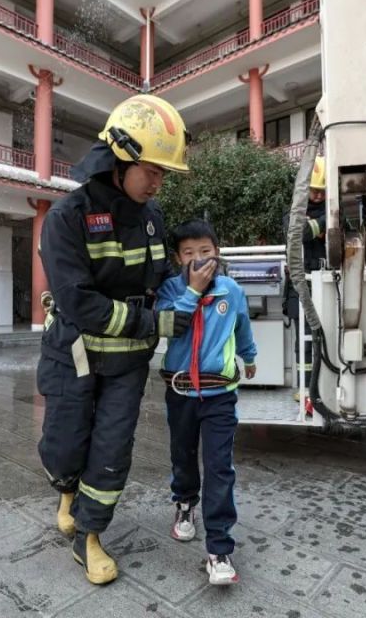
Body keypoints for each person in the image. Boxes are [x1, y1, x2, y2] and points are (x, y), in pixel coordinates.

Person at [37, 94, 194, 585]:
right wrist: (154, 324)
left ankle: (89, 536)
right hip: (75, 358)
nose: (158, 181)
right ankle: (66, 488)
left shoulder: (152, 217)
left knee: (111, 451)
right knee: (65, 447)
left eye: (163, 173)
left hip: (126, 365)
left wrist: (196, 285)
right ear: (120, 158)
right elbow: (80, 303)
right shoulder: (66, 218)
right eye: (152, 169)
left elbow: (161, 277)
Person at [156, 219, 257, 586]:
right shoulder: (169, 289)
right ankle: (185, 504)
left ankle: (219, 548)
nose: (198, 259)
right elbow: (167, 326)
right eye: (188, 253)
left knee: (219, 467)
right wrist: (193, 292)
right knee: (182, 455)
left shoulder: (231, 290)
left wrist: (249, 356)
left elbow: (241, 325)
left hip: (220, 397)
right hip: (180, 393)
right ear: (177, 258)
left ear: (217, 252)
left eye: (205, 251)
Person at [282, 155, 326, 408]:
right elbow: (299, 232)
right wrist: (323, 224)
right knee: (305, 342)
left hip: (328, 285)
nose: (318, 197)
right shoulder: (295, 212)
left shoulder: (335, 210)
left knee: (327, 339)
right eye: (313, 191)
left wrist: (318, 227)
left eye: (322, 191)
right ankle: (304, 388)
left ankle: (322, 387)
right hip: (302, 288)